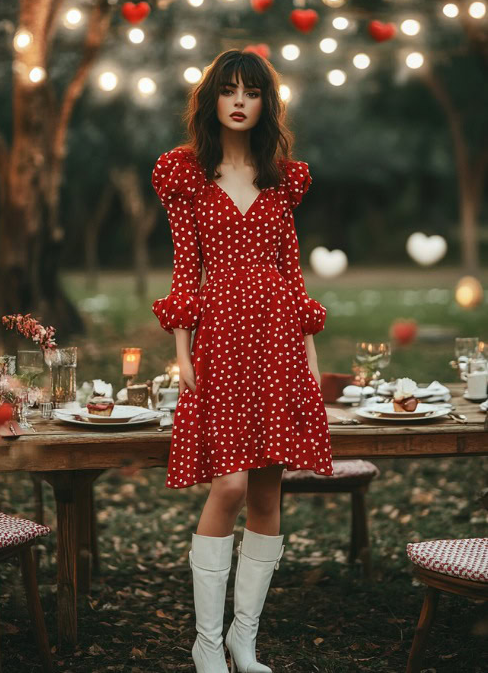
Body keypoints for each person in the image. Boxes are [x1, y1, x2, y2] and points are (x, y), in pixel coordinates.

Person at [151, 49, 333, 673]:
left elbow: (292, 267)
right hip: (221, 335)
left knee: (267, 486)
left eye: (250, 92)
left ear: (264, 104)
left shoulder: (283, 176)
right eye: (227, 90)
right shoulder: (185, 174)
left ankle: (243, 639)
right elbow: (185, 268)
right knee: (227, 482)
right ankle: (206, 642)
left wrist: (310, 354)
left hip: (280, 335)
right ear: (211, 100)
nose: (238, 100)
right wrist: (182, 351)